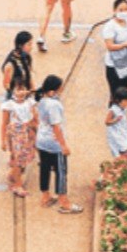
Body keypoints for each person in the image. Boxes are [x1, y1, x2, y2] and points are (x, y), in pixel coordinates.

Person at [34, 75, 82, 213]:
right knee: (61, 172)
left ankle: (45, 196)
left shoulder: (42, 100)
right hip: (53, 144)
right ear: (53, 90)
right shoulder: (54, 105)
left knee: (45, 169)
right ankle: (64, 202)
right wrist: (63, 145)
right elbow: (56, 127)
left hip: (42, 140)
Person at [0, 75, 37, 197]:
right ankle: (17, 185)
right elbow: (4, 123)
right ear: (12, 90)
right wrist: (3, 140)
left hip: (28, 132)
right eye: (17, 89)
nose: (20, 93)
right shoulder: (9, 105)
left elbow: (35, 117)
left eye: (23, 89)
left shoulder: (30, 102)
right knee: (18, 159)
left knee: (25, 158)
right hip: (15, 133)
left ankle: (13, 175)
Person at [105, 87, 127, 159]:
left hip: (123, 133)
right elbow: (107, 122)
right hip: (115, 135)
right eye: (125, 101)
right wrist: (115, 120)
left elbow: (125, 120)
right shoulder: (113, 109)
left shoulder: (123, 109)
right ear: (118, 101)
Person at [1, 31, 34, 96]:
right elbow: (6, 85)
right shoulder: (10, 65)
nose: (31, 47)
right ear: (20, 46)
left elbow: (29, 74)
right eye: (29, 44)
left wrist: (32, 90)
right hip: (15, 99)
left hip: (26, 94)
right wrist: (19, 94)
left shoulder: (27, 56)